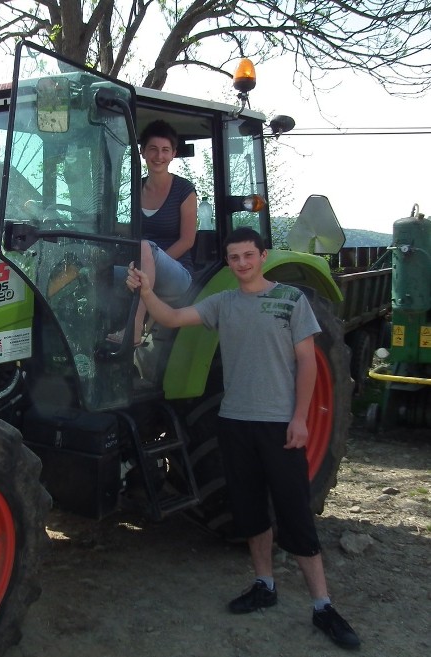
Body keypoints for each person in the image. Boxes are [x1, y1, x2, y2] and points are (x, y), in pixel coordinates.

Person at [126, 226, 361, 650]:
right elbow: (174, 318)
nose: (241, 264)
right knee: (250, 511)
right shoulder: (224, 303)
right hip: (235, 423)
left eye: (248, 256)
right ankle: (264, 584)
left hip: (278, 426)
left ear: (263, 256)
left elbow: (308, 363)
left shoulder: (290, 301)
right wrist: (145, 292)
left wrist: (300, 418)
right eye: (234, 258)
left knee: (294, 515)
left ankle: (323, 605)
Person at [111, 119, 196, 345]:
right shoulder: (136, 188)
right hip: (142, 267)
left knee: (144, 246)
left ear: (173, 154)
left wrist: (150, 261)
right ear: (142, 152)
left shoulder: (184, 189)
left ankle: (136, 327)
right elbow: (131, 229)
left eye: (165, 150)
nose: (159, 156)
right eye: (153, 149)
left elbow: (188, 240)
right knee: (97, 270)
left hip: (177, 274)